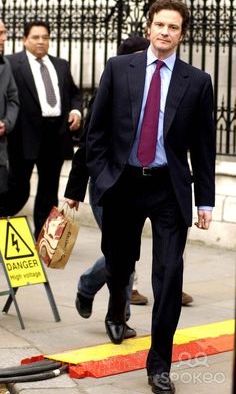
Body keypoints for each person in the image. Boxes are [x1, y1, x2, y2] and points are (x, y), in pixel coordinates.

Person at [86, 0, 215, 394]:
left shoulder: (197, 81)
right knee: (119, 263)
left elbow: (204, 146)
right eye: (160, 25)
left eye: (173, 27)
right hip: (124, 184)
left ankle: (159, 364)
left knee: (168, 276)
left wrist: (205, 201)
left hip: (168, 189)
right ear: (149, 28)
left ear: (181, 34)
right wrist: (104, 176)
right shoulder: (118, 68)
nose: (165, 32)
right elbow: (96, 132)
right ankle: (115, 308)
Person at [65, 36, 151, 340]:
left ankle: (116, 312)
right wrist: (74, 192)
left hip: (138, 184)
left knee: (125, 250)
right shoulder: (110, 91)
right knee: (119, 250)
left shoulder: (155, 91)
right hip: (106, 185)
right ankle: (99, 297)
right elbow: (88, 144)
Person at [2, 20, 81, 238]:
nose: (40, 42)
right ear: (24, 40)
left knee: (48, 191)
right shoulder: (11, 64)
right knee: (17, 189)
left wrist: (76, 112)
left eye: (45, 37)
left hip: (55, 135)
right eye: (35, 37)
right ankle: (3, 228)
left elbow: (74, 94)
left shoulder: (61, 65)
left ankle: (42, 239)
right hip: (23, 135)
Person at [0, 20, 19, 211]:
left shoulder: (5, 65)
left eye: (4, 33)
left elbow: (14, 99)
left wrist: (7, 123)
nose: (4, 38)